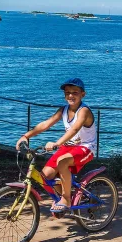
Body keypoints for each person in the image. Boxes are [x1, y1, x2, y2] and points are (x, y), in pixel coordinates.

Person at [16, 78, 97, 213]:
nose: (71, 95)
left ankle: (66, 199)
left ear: (83, 94)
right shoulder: (63, 110)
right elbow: (46, 124)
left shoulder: (84, 111)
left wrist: (57, 143)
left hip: (86, 148)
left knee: (62, 161)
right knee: (45, 176)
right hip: (69, 147)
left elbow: (74, 129)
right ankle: (62, 197)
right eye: (67, 93)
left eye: (75, 92)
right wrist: (26, 136)